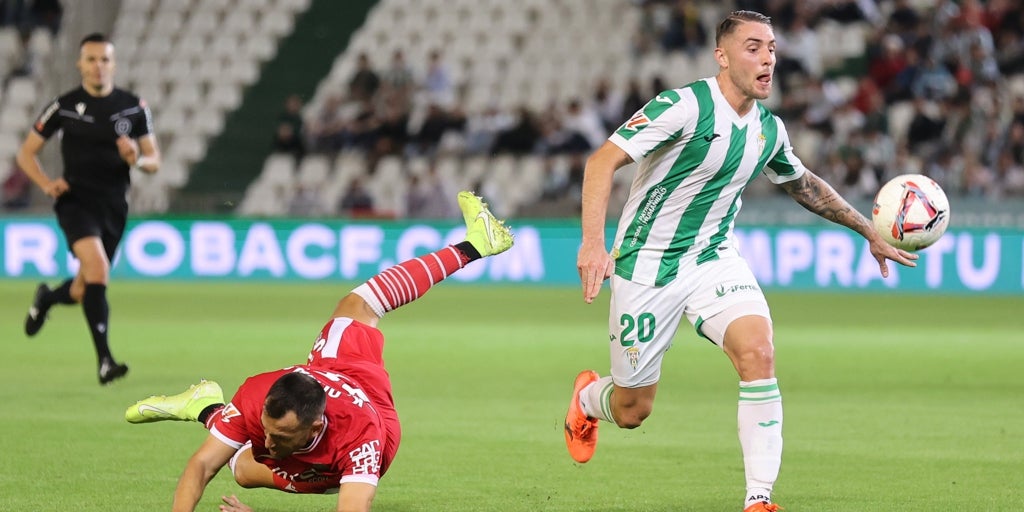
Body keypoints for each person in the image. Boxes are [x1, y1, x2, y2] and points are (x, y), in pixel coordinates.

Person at [564, 11, 919, 512]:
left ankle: (758, 500)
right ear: (722, 55)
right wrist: (592, 243)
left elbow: (804, 184)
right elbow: (602, 160)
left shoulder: (768, 131)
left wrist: (868, 230)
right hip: (647, 268)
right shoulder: (682, 106)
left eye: (772, 47)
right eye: (753, 47)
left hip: (714, 259)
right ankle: (585, 400)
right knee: (632, 410)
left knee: (758, 352)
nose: (768, 58)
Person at [124, 191, 513, 512]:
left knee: (243, 469)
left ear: (312, 428)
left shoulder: (361, 443)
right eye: (267, 429)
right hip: (337, 368)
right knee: (357, 305)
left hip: (369, 407)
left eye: (280, 438)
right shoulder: (258, 394)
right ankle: (476, 244)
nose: (269, 443)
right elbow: (201, 465)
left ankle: (206, 409)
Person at [17, 32, 160, 385]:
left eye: (105, 59)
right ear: (80, 64)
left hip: (114, 206)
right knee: (97, 268)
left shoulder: (133, 107)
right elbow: (26, 153)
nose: (98, 66)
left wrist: (136, 160)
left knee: (85, 287)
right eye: (92, 59)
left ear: (114, 64)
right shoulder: (64, 105)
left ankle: (48, 298)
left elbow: (154, 160)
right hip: (76, 202)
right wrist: (47, 184)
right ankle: (106, 361)